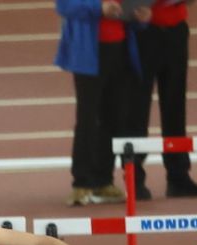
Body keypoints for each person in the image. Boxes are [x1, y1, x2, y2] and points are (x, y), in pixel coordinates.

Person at [55, 0, 139, 206]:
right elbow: (65, 6)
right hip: (88, 52)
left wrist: (140, 15)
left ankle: (104, 180)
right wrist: (99, 8)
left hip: (120, 49)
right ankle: (81, 183)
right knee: (87, 118)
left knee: (114, 117)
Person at [126, 0, 197, 200]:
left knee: (175, 105)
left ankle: (178, 176)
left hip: (176, 28)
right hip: (143, 30)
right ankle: (135, 178)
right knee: (137, 107)